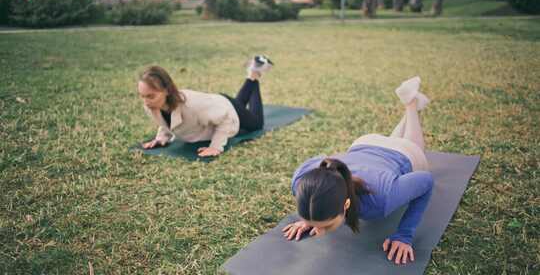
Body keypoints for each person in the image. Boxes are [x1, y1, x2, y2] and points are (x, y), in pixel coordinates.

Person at [283, 76, 433, 265]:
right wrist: (312, 218)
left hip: (401, 153)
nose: (319, 233)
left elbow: (426, 181)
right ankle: (409, 100)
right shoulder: (300, 181)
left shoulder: (383, 200)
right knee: (396, 142)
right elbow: (318, 161)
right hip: (364, 143)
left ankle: (411, 104)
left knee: (413, 145)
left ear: (346, 204)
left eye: (326, 225)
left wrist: (404, 234)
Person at [138, 55, 273, 157]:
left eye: (151, 96)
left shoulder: (191, 105)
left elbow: (225, 119)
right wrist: (161, 138)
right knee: (239, 104)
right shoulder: (152, 105)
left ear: (166, 90)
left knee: (257, 124)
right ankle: (252, 75)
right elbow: (167, 120)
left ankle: (254, 75)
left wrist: (215, 146)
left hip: (225, 109)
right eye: (142, 96)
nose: (146, 102)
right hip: (215, 104)